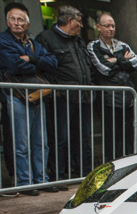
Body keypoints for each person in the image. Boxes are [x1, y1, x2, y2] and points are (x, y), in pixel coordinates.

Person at [0, 2, 58, 195]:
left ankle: (41, 179)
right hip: (16, 96)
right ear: (7, 21)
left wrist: (32, 60)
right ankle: (25, 182)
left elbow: (52, 62)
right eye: (12, 19)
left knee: (41, 142)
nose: (16, 23)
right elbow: (14, 65)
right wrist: (38, 64)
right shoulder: (3, 41)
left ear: (27, 24)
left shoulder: (33, 43)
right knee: (21, 143)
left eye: (20, 20)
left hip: (36, 95)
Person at [36, 5, 93, 181]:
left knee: (83, 137)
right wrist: (56, 90)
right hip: (62, 97)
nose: (82, 25)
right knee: (60, 137)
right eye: (79, 21)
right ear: (69, 21)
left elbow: (85, 65)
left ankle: (84, 173)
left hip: (82, 96)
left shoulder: (78, 41)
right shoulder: (46, 38)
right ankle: (58, 174)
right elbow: (43, 67)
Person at [87, 13, 137, 161]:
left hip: (127, 97)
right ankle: (114, 164)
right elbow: (104, 68)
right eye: (107, 26)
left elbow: (135, 63)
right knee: (111, 136)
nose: (111, 29)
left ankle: (128, 162)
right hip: (108, 99)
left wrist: (115, 59)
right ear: (98, 27)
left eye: (113, 26)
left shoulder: (122, 45)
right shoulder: (93, 46)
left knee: (128, 134)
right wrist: (123, 61)